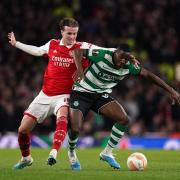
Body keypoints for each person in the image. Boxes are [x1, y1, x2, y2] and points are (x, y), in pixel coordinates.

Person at [67, 47, 180, 170]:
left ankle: (107, 153)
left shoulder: (129, 64)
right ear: (114, 53)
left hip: (100, 95)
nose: (122, 62)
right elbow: (77, 51)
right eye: (120, 58)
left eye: (125, 60)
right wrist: (79, 70)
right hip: (81, 92)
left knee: (124, 119)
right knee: (75, 127)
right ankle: (72, 152)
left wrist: (171, 90)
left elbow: (148, 75)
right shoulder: (102, 55)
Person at [7, 17, 90, 170]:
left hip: (65, 95)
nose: (72, 37)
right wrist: (16, 43)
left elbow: (103, 51)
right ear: (62, 32)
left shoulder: (81, 47)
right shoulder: (52, 44)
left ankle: (54, 152)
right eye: (69, 33)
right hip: (45, 95)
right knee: (22, 130)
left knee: (63, 117)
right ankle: (26, 158)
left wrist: (120, 55)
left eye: (75, 34)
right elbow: (38, 50)